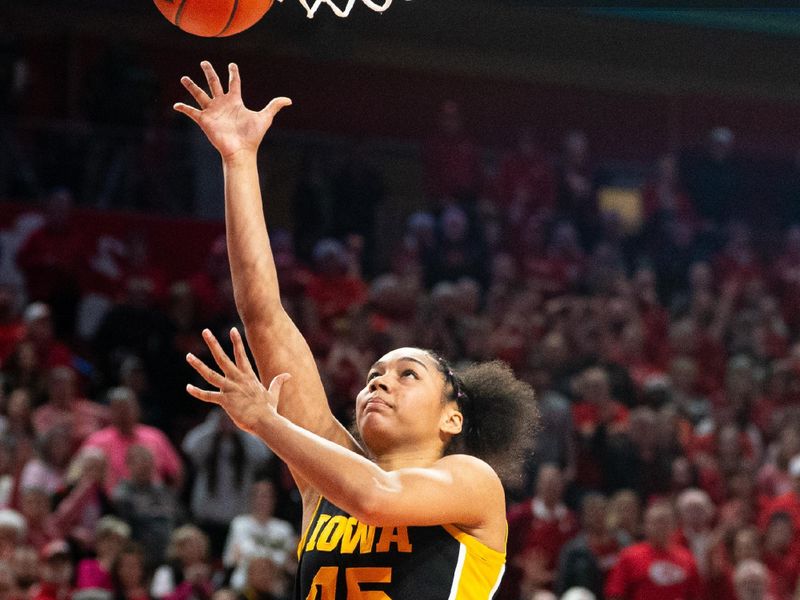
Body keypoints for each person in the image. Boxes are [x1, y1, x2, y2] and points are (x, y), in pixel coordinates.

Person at [173, 61, 538, 600]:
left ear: (451, 415)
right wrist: (239, 161)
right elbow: (263, 313)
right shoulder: (327, 480)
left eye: (407, 374)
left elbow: (377, 497)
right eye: (373, 375)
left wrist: (266, 423)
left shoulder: (473, 483)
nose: (378, 383)